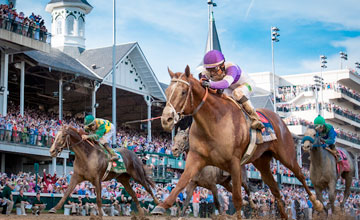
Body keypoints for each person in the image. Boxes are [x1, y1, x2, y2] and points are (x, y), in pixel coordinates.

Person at [201, 50, 264, 130]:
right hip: (229, 88)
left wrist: (211, 84)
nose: (212, 73)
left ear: (222, 65)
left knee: (237, 93)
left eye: (215, 69)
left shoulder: (231, 67)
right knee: (219, 95)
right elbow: (202, 80)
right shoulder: (206, 72)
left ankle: (255, 118)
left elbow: (226, 83)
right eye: (209, 70)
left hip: (246, 85)